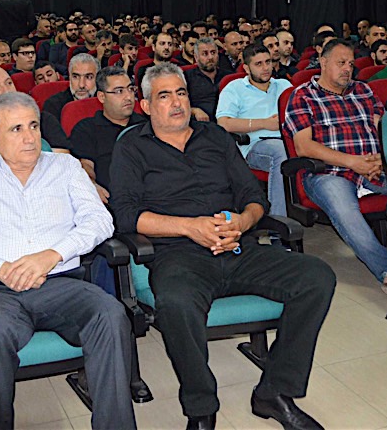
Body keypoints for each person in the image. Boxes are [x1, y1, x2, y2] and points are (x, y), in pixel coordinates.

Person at [110, 63, 335, 430]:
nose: (177, 103)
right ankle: (201, 408)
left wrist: (243, 222)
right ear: (146, 106)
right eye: (164, 96)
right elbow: (125, 216)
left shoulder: (214, 137)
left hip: (238, 248)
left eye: (181, 93)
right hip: (179, 256)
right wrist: (190, 228)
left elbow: (253, 196)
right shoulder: (132, 147)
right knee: (176, 303)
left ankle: (275, 392)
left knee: (317, 277)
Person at [0, 92, 137, 430]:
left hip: (61, 284)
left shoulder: (65, 167)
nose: (29, 137)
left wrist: (52, 256)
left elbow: (100, 221)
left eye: (34, 126)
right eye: (16, 129)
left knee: (110, 314)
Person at [282, 38, 387, 305]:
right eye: (341, 63)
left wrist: (383, 158)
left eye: (350, 64)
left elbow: (383, 129)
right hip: (328, 173)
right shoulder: (303, 95)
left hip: (373, 167)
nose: (347, 69)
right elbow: (303, 146)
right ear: (323, 62)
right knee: (348, 213)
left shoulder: (363, 90)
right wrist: (352, 162)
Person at [217, 44, 292, 216]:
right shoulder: (234, 88)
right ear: (246, 68)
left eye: (268, 62)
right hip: (254, 145)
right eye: (258, 64)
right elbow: (224, 123)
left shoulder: (283, 85)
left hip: (288, 140)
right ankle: (279, 219)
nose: (266, 68)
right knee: (281, 152)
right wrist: (265, 123)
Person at [70, 66, 146, 203]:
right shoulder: (87, 129)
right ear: (102, 96)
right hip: (111, 200)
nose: (128, 96)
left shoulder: (146, 125)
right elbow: (86, 166)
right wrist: (91, 185)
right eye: (119, 91)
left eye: (130, 89)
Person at [43, 53, 98, 121]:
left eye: (89, 77)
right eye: (75, 77)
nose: (81, 85)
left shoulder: (105, 102)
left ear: (97, 79)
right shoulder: (53, 105)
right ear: (69, 78)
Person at [183, 37, 225, 122]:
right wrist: (194, 111)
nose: (210, 57)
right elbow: (178, 104)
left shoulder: (228, 76)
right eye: (205, 54)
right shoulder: (186, 77)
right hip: (199, 123)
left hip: (227, 121)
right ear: (196, 57)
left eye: (213, 52)